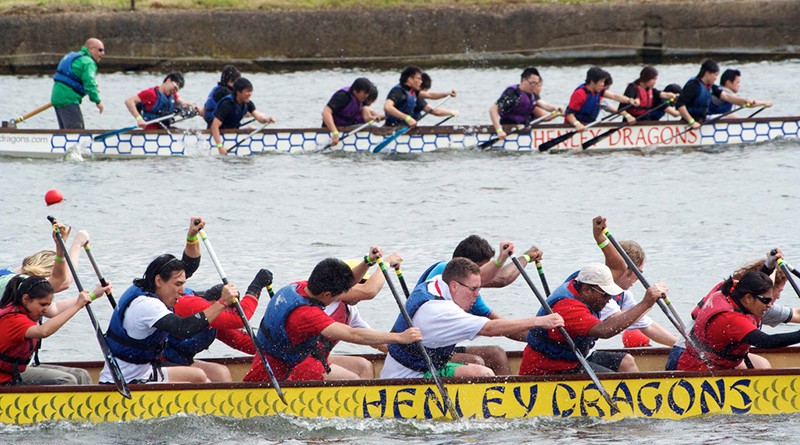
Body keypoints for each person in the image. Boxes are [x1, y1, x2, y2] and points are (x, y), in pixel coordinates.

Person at [243, 248, 422, 382]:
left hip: (302, 360)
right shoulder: (307, 315)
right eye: (340, 293)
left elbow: (374, 339)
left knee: (363, 366)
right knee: (355, 382)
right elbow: (354, 335)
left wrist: (367, 261)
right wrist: (399, 337)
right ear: (328, 295)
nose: (346, 294)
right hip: (283, 372)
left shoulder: (300, 286)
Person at [381, 257, 564, 379]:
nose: (477, 295)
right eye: (474, 289)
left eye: (479, 288)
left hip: (425, 362)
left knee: (495, 353)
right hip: (411, 376)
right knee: (482, 373)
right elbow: (490, 329)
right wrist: (540, 321)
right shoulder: (441, 311)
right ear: (454, 286)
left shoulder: (435, 282)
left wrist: (501, 258)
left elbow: (490, 278)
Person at [418, 235, 542, 374]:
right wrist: (526, 257)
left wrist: (541, 340)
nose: (489, 274)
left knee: (496, 353)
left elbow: (502, 325)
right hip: (421, 354)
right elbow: (502, 279)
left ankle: (503, 394)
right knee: (476, 361)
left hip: (442, 350)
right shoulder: (443, 272)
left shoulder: (468, 295)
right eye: (486, 268)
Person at [519, 262, 666, 376]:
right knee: (611, 379)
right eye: (605, 295)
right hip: (549, 369)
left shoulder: (580, 279)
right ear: (587, 289)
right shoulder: (568, 306)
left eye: (610, 296)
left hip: (573, 359)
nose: (608, 300)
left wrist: (600, 237)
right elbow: (604, 331)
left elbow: (616, 264)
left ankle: (638, 405)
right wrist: (646, 303)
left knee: (625, 361)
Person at [665, 249, 795, 370]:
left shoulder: (730, 291)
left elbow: (751, 284)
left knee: (761, 365)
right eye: (766, 300)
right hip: (691, 370)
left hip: (701, 360)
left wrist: (768, 267)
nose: (769, 305)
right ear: (749, 298)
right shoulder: (732, 320)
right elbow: (766, 341)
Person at [164, 268, 273, 382]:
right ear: (216, 301)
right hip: (158, 363)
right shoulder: (191, 305)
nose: (226, 316)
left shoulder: (214, 321)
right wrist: (255, 287)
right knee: (204, 380)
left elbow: (242, 341)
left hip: (180, 361)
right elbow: (239, 319)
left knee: (221, 373)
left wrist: (277, 348)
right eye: (227, 311)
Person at [0, 274, 111, 385]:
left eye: (48, 305)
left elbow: (58, 308)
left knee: (82, 374)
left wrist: (93, 295)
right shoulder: (13, 319)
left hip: (16, 369)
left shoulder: (29, 309)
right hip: (4, 377)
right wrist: (77, 306)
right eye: (43, 304)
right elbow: (43, 331)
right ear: (25, 299)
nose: (46, 309)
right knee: (67, 380)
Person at [592, 216, 677, 348]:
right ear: (626, 270)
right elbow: (618, 321)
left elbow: (645, 324)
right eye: (639, 273)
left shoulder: (624, 294)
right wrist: (648, 301)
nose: (638, 279)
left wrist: (680, 345)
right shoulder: (598, 289)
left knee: (626, 361)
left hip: (584, 347)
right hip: (568, 352)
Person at [319, 253, 403, 380]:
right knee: (352, 379)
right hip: (299, 361)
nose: (358, 291)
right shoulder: (329, 297)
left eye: (364, 282)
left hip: (318, 357)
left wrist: (409, 353)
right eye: (357, 285)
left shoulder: (350, 311)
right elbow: (369, 291)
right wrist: (385, 263)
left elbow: (377, 342)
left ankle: (366, 400)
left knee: (364, 366)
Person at [675, 59, 772, 130]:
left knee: (732, 116)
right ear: (708, 73)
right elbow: (679, 104)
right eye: (715, 75)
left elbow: (727, 97)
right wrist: (692, 122)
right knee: (730, 117)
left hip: (703, 120)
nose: (716, 78)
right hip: (689, 123)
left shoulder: (711, 87)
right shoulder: (693, 85)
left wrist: (752, 102)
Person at [0, 222, 90, 295]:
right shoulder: (19, 285)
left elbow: (54, 309)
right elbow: (64, 281)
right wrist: (77, 244)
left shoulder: (9, 276)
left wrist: (93, 295)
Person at [490, 67, 561, 140]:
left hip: (523, 128)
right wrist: (499, 130)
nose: (534, 86)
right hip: (507, 129)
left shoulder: (532, 95)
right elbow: (493, 109)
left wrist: (557, 109)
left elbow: (546, 106)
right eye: (532, 83)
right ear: (524, 80)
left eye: (536, 84)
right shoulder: (512, 93)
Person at [210, 77, 275, 154]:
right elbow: (214, 126)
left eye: (251, 91)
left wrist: (267, 120)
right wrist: (220, 146)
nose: (250, 94)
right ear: (238, 92)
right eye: (247, 91)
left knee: (252, 128)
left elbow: (258, 116)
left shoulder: (248, 103)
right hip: (217, 136)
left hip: (232, 132)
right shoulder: (227, 104)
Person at [50, 37, 105, 129]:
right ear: (91, 49)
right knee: (76, 132)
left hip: (57, 97)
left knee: (65, 133)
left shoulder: (77, 57)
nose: (103, 53)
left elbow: (81, 78)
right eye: (100, 50)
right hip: (68, 99)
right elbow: (89, 83)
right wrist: (97, 101)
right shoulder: (88, 62)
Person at [564, 67, 639, 131]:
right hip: (574, 127)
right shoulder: (580, 94)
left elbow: (614, 96)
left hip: (588, 125)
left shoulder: (599, 91)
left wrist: (630, 100)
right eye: (601, 82)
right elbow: (569, 114)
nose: (603, 84)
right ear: (592, 82)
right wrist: (577, 124)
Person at [124, 72, 200, 130]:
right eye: (175, 87)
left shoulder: (173, 96)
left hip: (164, 130)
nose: (175, 91)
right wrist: (139, 119)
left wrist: (193, 106)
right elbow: (129, 101)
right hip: (150, 132)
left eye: (177, 90)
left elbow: (184, 103)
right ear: (168, 80)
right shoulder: (151, 93)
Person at [321, 77, 377, 147]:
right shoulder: (343, 96)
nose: (367, 95)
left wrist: (376, 116)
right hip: (333, 130)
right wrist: (335, 133)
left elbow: (367, 109)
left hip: (347, 126)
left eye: (368, 93)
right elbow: (326, 112)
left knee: (373, 126)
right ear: (356, 91)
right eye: (365, 93)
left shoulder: (361, 98)